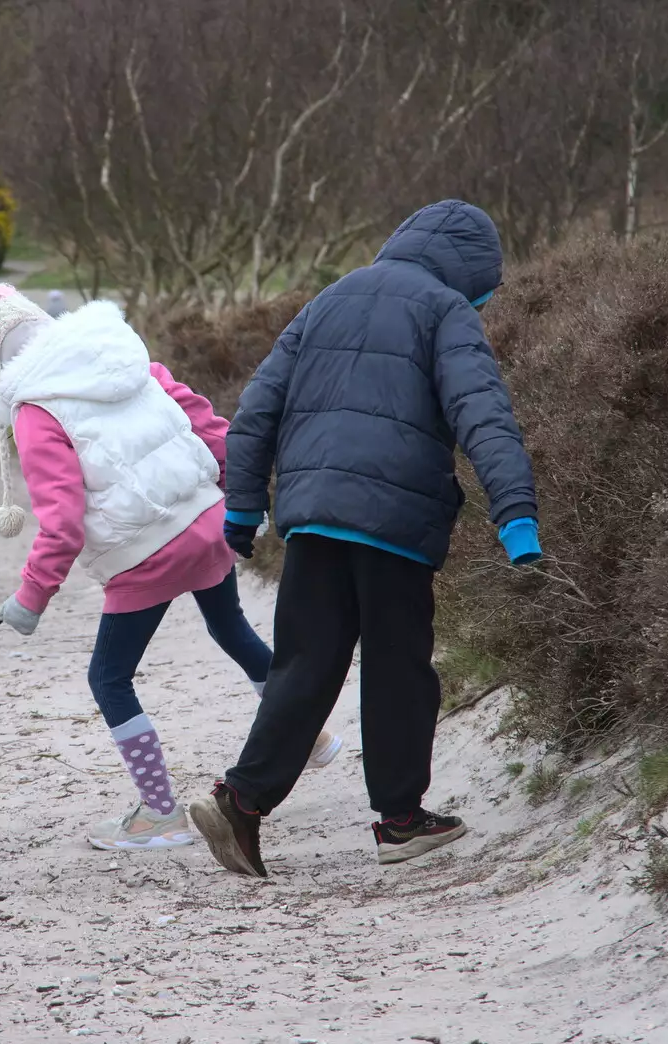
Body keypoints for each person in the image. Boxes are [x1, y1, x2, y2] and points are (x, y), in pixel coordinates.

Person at [187, 200, 543, 877]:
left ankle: (240, 801)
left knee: (305, 663)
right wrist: (516, 514)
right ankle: (403, 821)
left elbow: (260, 404)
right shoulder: (446, 310)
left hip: (314, 516)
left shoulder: (331, 296)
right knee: (397, 668)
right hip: (395, 525)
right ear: (471, 269)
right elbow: (484, 414)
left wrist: (241, 509)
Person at [0, 269, 342, 851]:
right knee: (231, 627)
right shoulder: (126, 359)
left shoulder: (35, 411)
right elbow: (209, 426)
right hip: (206, 525)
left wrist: (31, 597)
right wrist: (238, 499)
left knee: (109, 677)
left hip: (144, 554)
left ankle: (160, 812)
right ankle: (310, 734)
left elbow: (62, 520)